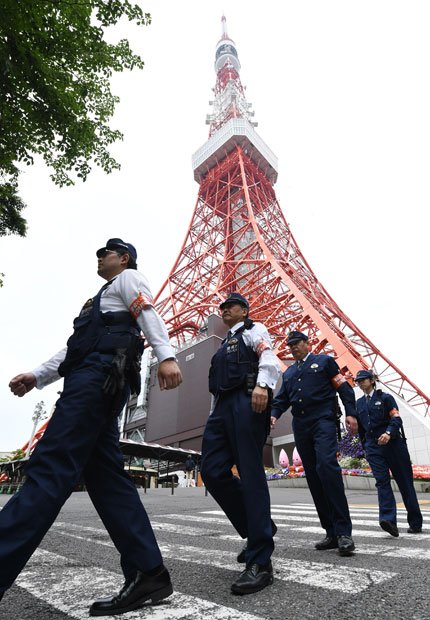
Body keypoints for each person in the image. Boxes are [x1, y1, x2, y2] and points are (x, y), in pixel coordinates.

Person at [1, 238, 182, 616]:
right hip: (92, 378)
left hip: (95, 382)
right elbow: (75, 348)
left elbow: (147, 310)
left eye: (106, 252)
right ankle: (148, 572)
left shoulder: (128, 280)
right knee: (107, 480)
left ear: (124, 258)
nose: (99, 257)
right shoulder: (98, 302)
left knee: (50, 467)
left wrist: (166, 356)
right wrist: (37, 376)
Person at [200, 292, 280, 595]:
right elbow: (216, 388)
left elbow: (268, 356)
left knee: (250, 472)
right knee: (211, 470)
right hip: (221, 409)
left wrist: (262, 385)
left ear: (244, 310)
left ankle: (260, 560)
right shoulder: (221, 348)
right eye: (222, 307)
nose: (224, 310)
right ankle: (257, 526)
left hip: (247, 403)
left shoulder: (253, 330)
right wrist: (212, 417)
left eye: (230, 306)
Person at [270, 330, 358, 557]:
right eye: (290, 346)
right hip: (301, 425)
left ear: (308, 343)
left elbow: (344, 388)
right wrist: (273, 415)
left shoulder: (324, 362)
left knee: (327, 467)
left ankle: (344, 532)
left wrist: (351, 413)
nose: (293, 348)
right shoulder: (289, 374)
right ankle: (330, 532)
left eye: (297, 344)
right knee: (313, 475)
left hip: (323, 421)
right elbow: (281, 400)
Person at [355, 369, 423, 536]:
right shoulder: (359, 403)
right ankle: (388, 520)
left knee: (405, 483)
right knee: (382, 482)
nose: (361, 382)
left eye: (364, 379)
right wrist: (365, 447)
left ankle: (415, 523)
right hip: (373, 448)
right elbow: (362, 429)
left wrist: (389, 433)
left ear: (371, 380)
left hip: (393, 445)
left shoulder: (385, 398)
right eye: (358, 380)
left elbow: (396, 418)